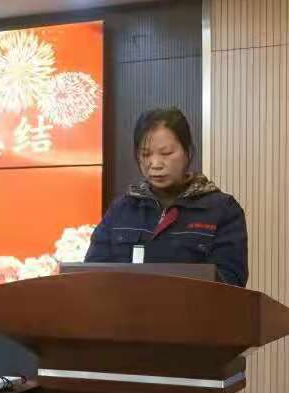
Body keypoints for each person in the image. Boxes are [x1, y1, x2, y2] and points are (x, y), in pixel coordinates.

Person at [85, 106, 249, 287]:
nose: (155, 164)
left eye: (166, 153)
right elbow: (91, 277)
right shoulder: (121, 210)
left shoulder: (222, 210)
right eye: (146, 154)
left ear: (188, 152)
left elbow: (231, 284)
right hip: (125, 306)